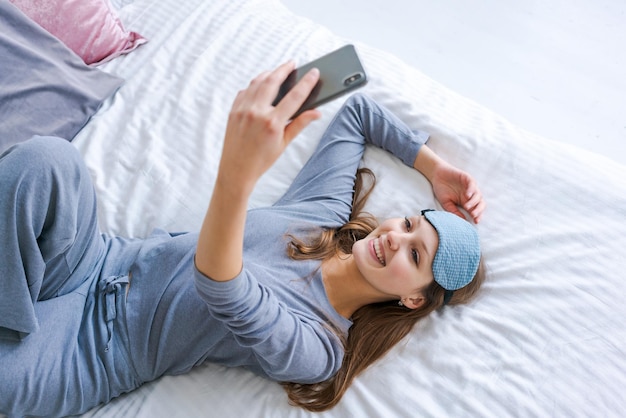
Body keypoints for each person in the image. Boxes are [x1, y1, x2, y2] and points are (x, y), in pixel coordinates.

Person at [0, 62, 485, 416]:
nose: (394, 239)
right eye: (406, 225)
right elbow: (356, 108)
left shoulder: (319, 348)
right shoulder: (324, 215)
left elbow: (222, 286)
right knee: (46, 161)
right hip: (97, 258)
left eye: (415, 253)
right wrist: (434, 167)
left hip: (93, 351)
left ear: (413, 298)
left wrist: (237, 175)